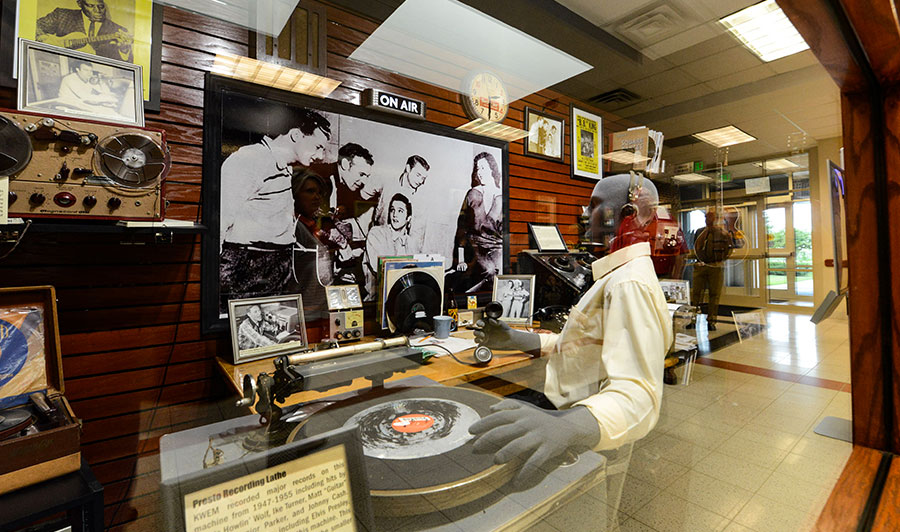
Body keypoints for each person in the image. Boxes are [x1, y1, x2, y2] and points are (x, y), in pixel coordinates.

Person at [470, 173, 672, 494]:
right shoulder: (616, 275)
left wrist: (571, 427)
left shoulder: (627, 284)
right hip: (562, 409)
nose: (584, 215)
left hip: (582, 425)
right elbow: (587, 344)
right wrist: (516, 339)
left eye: (594, 206)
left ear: (626, 216)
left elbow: (640, 395)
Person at [219, 109, 332, 305]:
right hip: (248, 264)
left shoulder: (286, 167)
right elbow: (221, 219)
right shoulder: (250, 159)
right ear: (296, 135)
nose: (320, 155)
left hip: (275, 265)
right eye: (318, 146)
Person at [311, 143, 377, 291]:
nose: (364, 182)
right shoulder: (322, 177)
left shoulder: (343, 185)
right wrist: (344, 245)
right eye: (361, 174)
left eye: (367, 176)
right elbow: (317, 223)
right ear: (346, 164)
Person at [287, 168, 332, 319]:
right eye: (310, 191)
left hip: (317, 312)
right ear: (294, 195)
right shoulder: (291, 228)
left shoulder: (310, 227)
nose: (317, 197)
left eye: (319, 193)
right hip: (300, 314)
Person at [456, 152, 503, 293]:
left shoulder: (501, 197)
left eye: (483, 168)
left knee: (502, 272)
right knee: (490, 270)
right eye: (477, 169)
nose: (479, 172)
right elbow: (462, 228)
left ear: (492, 168)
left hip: (497, 246)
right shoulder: (473, 195)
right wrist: (460, 259)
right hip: (476, 246)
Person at [36, 0, 134, 62]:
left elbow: (128, 65)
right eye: (91, 6)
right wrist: (44, 39)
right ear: (80, 3)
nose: (97, 11)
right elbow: (35, 26)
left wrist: (124, 50)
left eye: (101, 6)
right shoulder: (62, 15)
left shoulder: (118, 30)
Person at [691, 208, 736, 331]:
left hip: (715, 267)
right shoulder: (700, 232)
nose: (708, 220)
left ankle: (711, 321)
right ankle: (693, 319)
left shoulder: (722, 233)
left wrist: (721, 260)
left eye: (710, 217)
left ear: (715, 219)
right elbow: (696, 247)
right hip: (701, 266)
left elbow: (729, 249)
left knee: (714, 294)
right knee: (696, 294)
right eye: (706, 217)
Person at [372, 155, 430, 249]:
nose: (420, 181)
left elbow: (417, 238)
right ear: (408, 168)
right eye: (418, 175)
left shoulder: (420, 203)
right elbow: (378, 216)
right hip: (378, 241)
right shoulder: (388, 187)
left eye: (423, 178)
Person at [365, 193, 413, 278]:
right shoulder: (376, 233)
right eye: (392, 210)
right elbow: (381, 268)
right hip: (377, 289)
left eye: (400, 211)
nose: (395, 215)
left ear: (408, 218)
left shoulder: (410, 242)